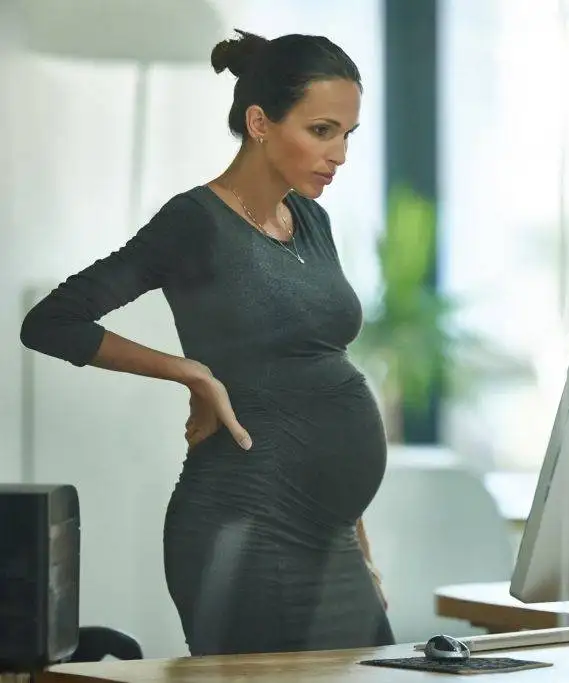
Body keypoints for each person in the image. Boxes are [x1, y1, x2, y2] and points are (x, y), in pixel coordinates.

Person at [20, 29, 395, 656]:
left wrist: (360, 548)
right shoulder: (194, 223)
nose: (341, 156)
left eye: (348, 135)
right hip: (247, 529)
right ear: (260, 123)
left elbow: (316, 378)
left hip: (330, 540)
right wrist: (191, 372)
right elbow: (52, 321)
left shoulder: (311, 219)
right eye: (323, 131)